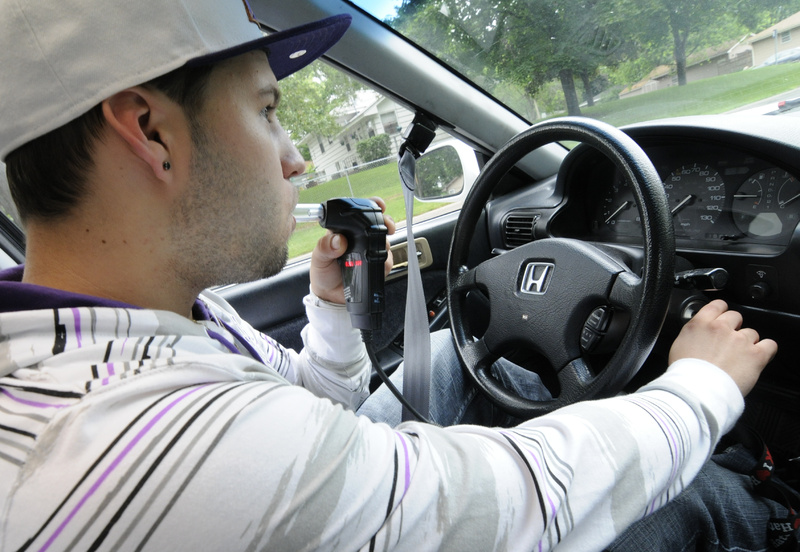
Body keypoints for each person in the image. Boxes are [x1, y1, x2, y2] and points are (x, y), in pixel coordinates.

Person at [0, 1, 778, 550]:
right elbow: (522, 500)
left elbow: (298, 408)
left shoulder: (149, 330)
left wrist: (331, 312)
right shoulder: (147, 440)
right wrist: (701, 386)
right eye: (267, 110)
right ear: (150, 132)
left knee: (450, 361)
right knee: (693, 504)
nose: (294, 158)